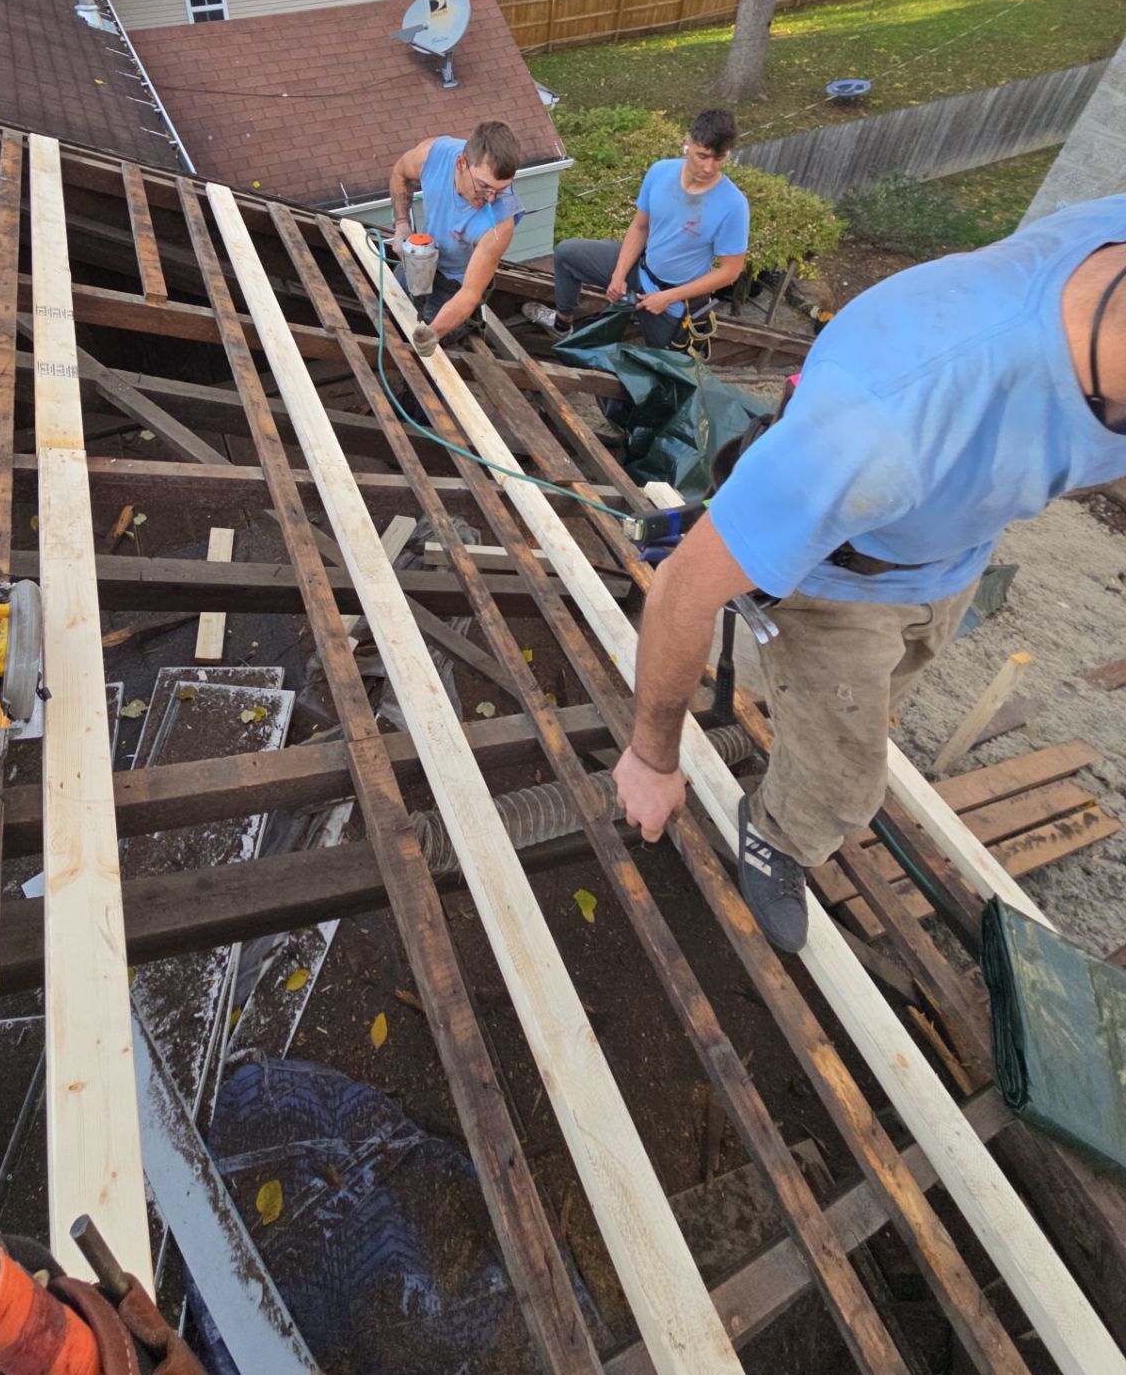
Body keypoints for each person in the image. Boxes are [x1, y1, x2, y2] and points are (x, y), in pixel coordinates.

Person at [610, 197, 1126, 953]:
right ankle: (779, 834)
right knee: (848, 787)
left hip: (947, 556)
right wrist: (653, 759)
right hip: (843, 583)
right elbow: (686, 587)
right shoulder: (890, 419)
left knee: (877, 696)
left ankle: (791, 700)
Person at [524, 109, 750, 349]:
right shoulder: (660, 172)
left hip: (674, 298)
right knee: (567, 253)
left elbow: (730, 271)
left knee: (660, 368)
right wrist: (619, 275)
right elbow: (640, 226)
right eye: (702, 156)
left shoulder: (733, 205)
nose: (709, 167)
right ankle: (561, 324)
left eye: (719, 159)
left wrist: (668, 297)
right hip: (640, 269)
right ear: (687, 145)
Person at [389, 121, 524, 355]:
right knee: (391, 306)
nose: (491, 199)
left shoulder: (500, 224)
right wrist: (402, 225)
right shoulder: (433, 156)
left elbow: (469, 293)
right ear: (461, 163)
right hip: (424, 258)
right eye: (483, 186)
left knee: (426, 345)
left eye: (501, 190)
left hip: (457, 283)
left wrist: (434, 333)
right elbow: (400, 173)